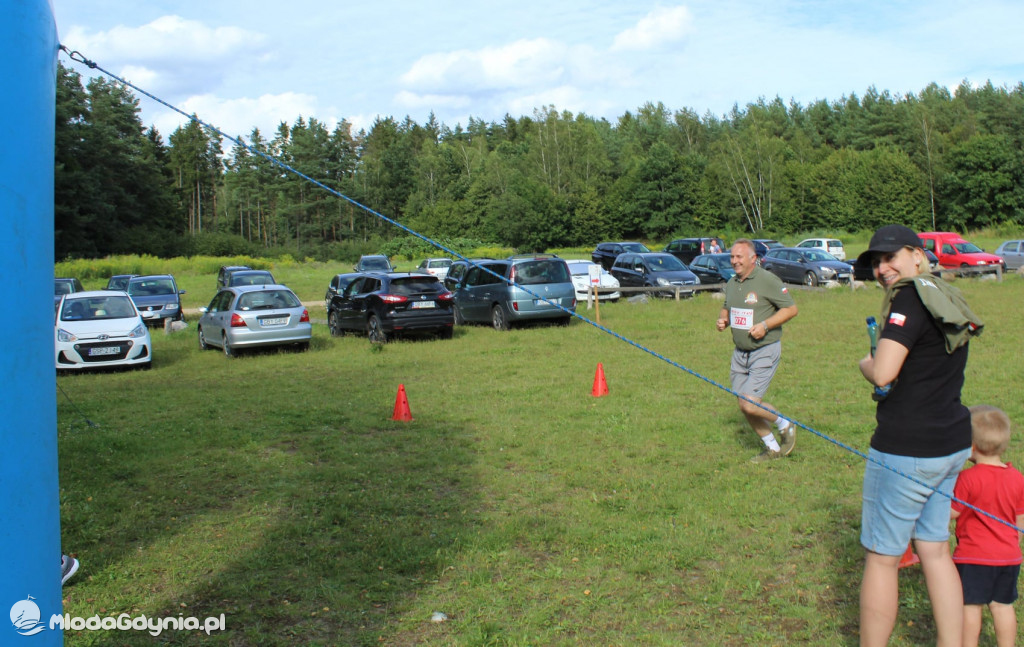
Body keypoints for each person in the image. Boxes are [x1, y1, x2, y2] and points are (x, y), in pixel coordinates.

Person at [856, 224, 982, 647]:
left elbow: (884, 372)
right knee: (935, 549)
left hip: (908, 449)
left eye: (890, 257)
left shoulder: (909, 298)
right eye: (876, 262)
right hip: (951, 443)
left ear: (917, 255)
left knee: (882, 558)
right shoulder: (940, 291)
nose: (882, 268)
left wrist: (865, 363)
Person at [715, 238, 798, 462]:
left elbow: (791, 309)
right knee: (745, 406)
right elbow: (726, 308)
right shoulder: (732, 282)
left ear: (753, 258)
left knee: (749, 403)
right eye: (732, 257)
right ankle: (772, 448)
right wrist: (723, 320)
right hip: (740, 353)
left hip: (764, 350)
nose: (734, 261)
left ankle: (785, 424)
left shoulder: (767, 280)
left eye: (739, 257)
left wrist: (765, 325)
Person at [951, 405, 1024, 647]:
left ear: (970, 446)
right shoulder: (1017, 478)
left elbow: (952, 512)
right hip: (1009, 557)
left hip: (974, 557)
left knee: (970, 606)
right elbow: (1020, 519)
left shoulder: (967, 478)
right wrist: (1012, 544)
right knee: (1003, 606)